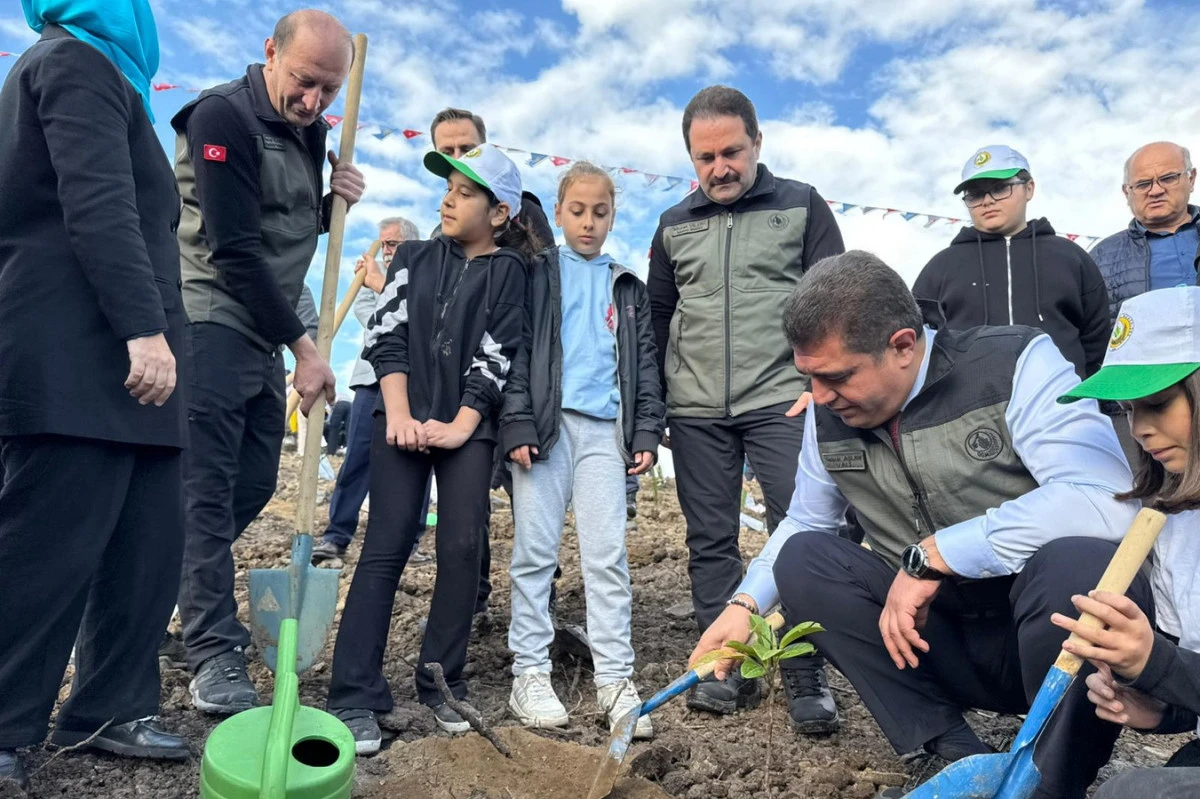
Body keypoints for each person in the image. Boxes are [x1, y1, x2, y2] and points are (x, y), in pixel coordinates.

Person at [689, 251, 1150, 799]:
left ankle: (1052, 779)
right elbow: (807, 520)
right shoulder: (827, 410)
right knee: (804, 558)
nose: (818, 397)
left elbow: (1106, 500)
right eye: (807, 377)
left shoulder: (1015, 363)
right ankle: (955, 756)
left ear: (904, 345)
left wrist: (936, 553)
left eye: (835, 377)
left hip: (1041, 630)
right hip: (931, 636)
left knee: (1083, 562)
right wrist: (743, 608)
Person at [0, 1, 189, 786]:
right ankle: (5, 721)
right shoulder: (70, 63)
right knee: (49, 544)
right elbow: (97, 203)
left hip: (136, 362)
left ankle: (111, 704)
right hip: (80, 350)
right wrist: (142, 327)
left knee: (146, 542)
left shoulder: (118, 81)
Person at [172, 9, 365, 715]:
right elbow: (235, 247)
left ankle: (174, 587)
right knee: (208, 487)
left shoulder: (310, 131)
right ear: (270, 54)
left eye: (329, 89)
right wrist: (306, 346)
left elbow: (281, 220)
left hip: (258, 327)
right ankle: (211, 650)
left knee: (253, 476)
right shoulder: (221, 117)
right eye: (305, 81)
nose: (314, 102)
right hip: (210, 316)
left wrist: (327, 208)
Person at [647, 84, 845, 730]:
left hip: (782, 400)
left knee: (801, 535)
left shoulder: (803, 206)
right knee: (710, 539)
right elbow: (656, 319)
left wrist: (819, 384)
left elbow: (838, 301)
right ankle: (725, 667)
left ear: (757, 143)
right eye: (704, 158)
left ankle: (804, 671)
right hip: (697, 409)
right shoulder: (674, 225)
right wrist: (657, 407)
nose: (719, 167)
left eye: (731, 151)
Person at [326, 145, 532, 752]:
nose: (449, 198)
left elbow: (501, 349)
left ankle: (442, 679)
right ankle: (353, 693)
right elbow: (386, 333)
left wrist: (466, 422)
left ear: (499, 213)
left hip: (469, 427)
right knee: (385, 545)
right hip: (403, 422)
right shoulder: (414, 257)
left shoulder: (509, 272)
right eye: (447, 188)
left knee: (463, 546)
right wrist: (398, 411)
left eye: (466, 193)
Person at [501, 162, 665, 736]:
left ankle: (616, 680)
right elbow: (517, 351)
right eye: (577, 211)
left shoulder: (627, 285)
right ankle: (529, 673)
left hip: (604, 435)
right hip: (545, 431)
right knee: (535, 554)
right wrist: (517, 421)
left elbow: (644, 363)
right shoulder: (537, 273)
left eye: (600, 212)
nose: (589, 222)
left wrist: (645, 430)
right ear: (560, 210)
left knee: (606, 557)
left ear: (614, 215)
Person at [1053, 286, 1200, 799]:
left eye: (1157, 403)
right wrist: (1158, 706)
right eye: (1128, 408)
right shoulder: (1174, 523)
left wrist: (1155, 663)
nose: (1138, 428)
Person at [428, 107, 553, 621]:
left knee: (528, 485)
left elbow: (545, 292)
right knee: (467, 496)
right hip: (466, 388)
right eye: (448, 152)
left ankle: (538, 595)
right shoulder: (445, 233)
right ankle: (472, 595)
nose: (458, 160)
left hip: (518, 373)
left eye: (466, 149)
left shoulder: (526, 215)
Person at [913, 145, 1110, 378]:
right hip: (969, 412)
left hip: (1061, 403)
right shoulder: (940, 267)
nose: (987, 201)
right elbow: (915, 344)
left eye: (999, 188)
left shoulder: (1071, 257)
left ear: (1029, 188)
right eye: (975, 194)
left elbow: (1097, 339)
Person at [312, 216, 421, 563]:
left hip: (411, 381)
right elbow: (370, 316)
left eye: (393, 245)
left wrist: (382, 282)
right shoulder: (368, 280)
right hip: (370, 379)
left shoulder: (422, 275)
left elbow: (414, 315)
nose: (386, 251)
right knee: (357, 459)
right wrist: (374, 282)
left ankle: (410, 540)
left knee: (413, 462)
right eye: (383, 244)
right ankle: (336, 535)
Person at [1092, 141, 1200, 461]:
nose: (1155, 190)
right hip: (1145, 399)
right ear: (1127, 192)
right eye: (1142, 184)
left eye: (1167, 178)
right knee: (1156, 495)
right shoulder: (1101, 257)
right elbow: (1090, 335)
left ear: (1191, 178)